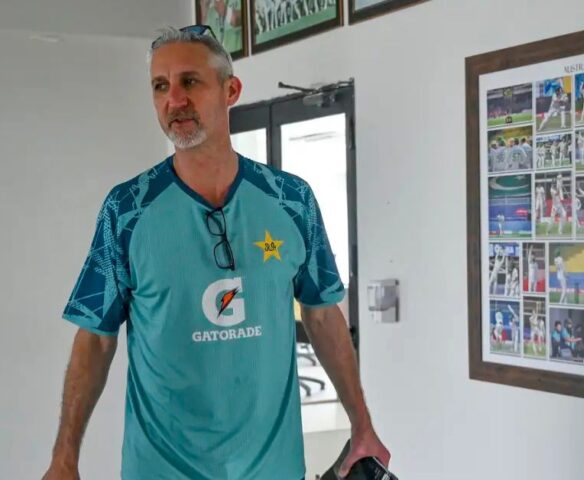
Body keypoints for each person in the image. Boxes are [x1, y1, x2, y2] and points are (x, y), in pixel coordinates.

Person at [43, 26, 389, 480]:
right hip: (160, 471)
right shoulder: (127, 209)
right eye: (160, 86)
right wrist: (65, 457)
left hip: (274, 469)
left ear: (231, 91)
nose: (174, 100)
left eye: (190, 81)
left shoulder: (290, 199)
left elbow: (322, 314)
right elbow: (95, 336)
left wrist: (362, 422)